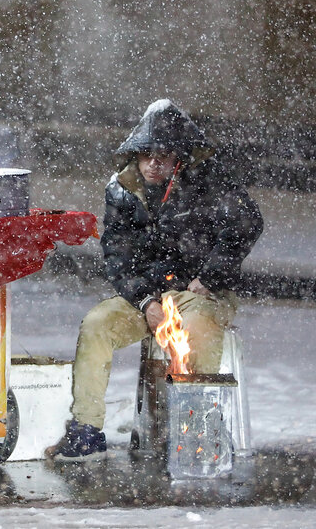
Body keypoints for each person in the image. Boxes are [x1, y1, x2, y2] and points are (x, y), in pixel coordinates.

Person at [46, 99, 263, 461]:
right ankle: (86, 431)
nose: (154, 163)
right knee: (98, 324)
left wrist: (209, 277)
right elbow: (117, 255)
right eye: (146, 155)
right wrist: (146, 301)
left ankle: (200, 431)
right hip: (149, 295)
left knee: (195, 327)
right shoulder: (122, 191)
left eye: (163, 155)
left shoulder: (208, 183)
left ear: (179, 158)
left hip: (200, 294)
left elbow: (247, 224)